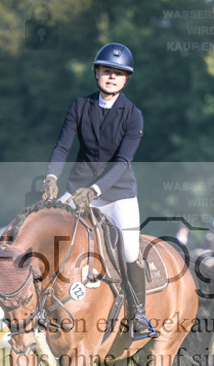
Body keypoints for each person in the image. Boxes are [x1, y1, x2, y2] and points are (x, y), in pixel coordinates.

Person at [40, 42, 155, 340]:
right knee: (47, 233)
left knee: (130, 249)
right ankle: (39, 306)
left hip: (118, 194)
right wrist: (51, 176)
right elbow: (63, 145)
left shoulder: (133, 116)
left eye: (119, 73)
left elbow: (122, 161)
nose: (112, 77)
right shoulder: (80, 106)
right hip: (77, 190)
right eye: (107, 71)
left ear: (126, 79)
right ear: (96, 73)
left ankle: (139, 313)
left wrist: (95, 189)